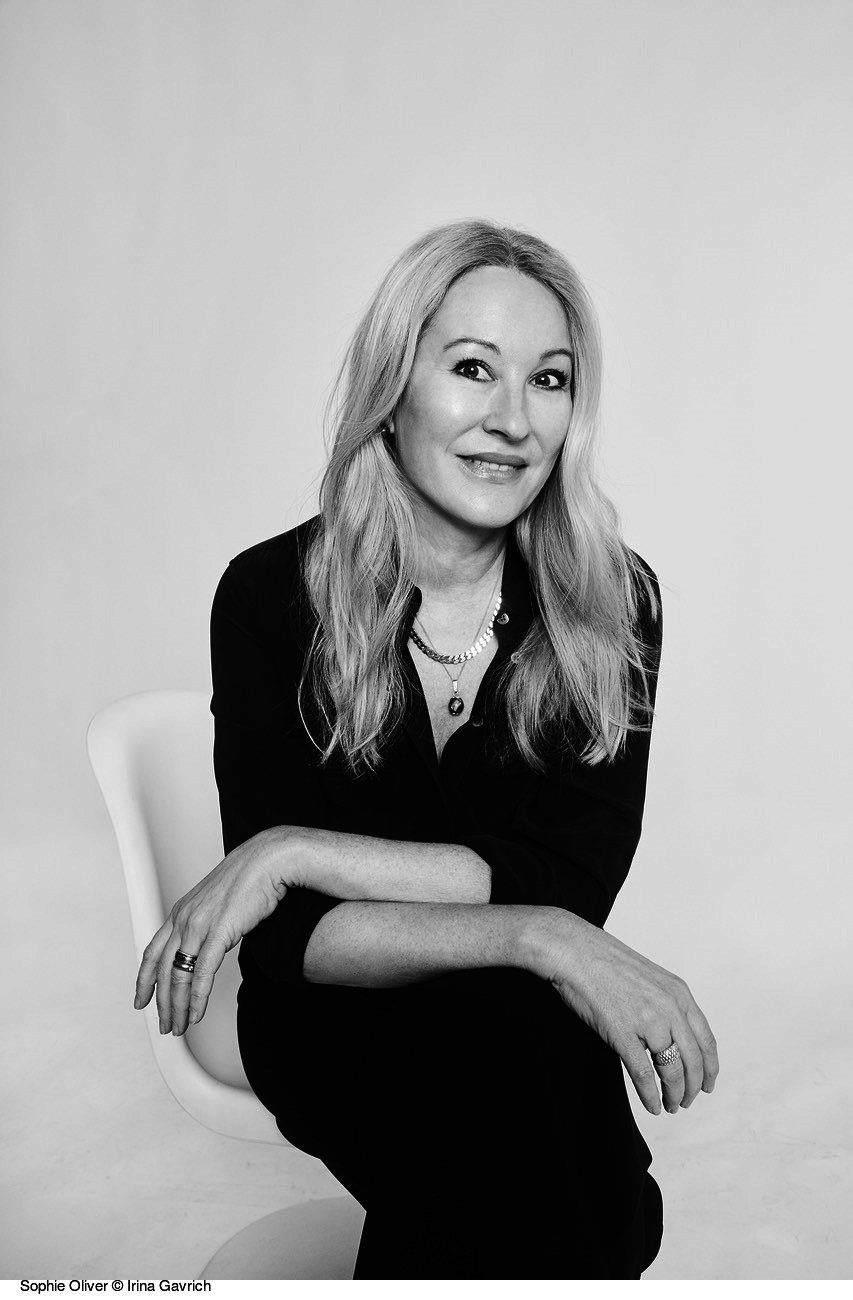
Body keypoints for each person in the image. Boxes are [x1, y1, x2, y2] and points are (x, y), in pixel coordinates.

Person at [134, 219, 719, 1280]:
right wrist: (538, 936)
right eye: (471, 369)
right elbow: (293, 945)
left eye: (548, 380)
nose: (512, 420)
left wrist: (290, 852)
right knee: (523, 1077)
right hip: (330, 1018)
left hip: (512, 1023)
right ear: (393, 385)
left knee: (504, 1049)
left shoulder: (610, 602)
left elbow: (568, 878)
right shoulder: (270, 597)